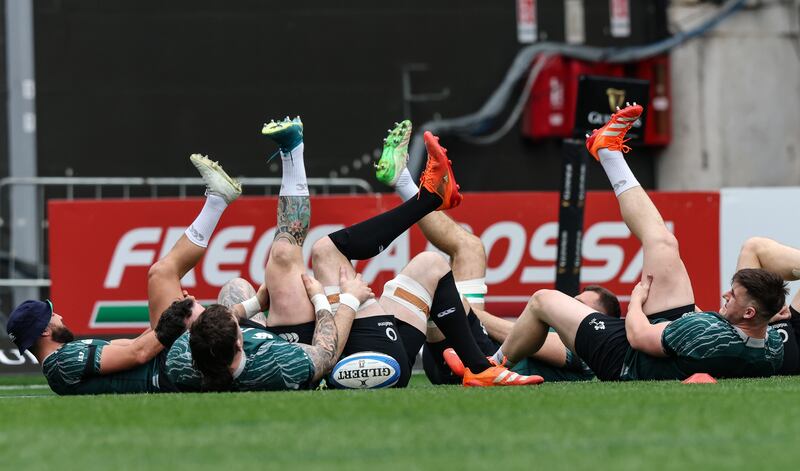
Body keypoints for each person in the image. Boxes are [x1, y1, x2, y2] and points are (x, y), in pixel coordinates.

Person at [492, 103, 785, 381]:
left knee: (543, 300)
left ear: (749, 312)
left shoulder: (707, 333)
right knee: (662, 242)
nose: (724, 295)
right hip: (672, 342)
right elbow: (711, 340)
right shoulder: (771, 348)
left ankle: (492, 365)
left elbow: (637, 336)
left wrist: (636, 299)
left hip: (624, 357)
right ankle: (607, 151)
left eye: (732, 295)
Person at [375, 120, 612, 384]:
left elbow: (524, 339)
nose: (567, 307)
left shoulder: (589, 351)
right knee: (470, 248)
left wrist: (457, 306)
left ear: (600, 324)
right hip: (463, 352)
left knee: (437, 278)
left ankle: (413, 186)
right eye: (573, 301)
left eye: (578, 306)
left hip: (477, 364)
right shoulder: (560, 329)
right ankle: (405, 182)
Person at [309, 123, 542, 387]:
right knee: (441, 261)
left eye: (583, 304)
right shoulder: (569, 329)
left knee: (325, 250)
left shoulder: (570, 346)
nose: (579, 301)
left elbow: (542, 320)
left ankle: (423, 193)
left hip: (386, 357)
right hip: (391, 353)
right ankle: (422, 192)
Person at [5, 154, 242, 394]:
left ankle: (218, 200)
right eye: (51, 315)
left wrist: (175, 314)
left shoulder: (65, 358)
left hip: (167, 366)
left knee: (229, 290)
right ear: (44, 330)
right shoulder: (63, 361)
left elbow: (136, 344)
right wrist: (177, 318)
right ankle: (217, 201)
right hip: (169, 370)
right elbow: (138, 353)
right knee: (162, 273)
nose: (59, 315)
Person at [165, 117, 371, 392]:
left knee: (235, 286)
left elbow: (207, 339)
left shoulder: (180, 361)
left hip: (241, 349)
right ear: (240, 342)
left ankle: (218, 199)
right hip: (293, 344)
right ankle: (293, 151)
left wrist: (252, 305)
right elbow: (326, 355)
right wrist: (336, 299)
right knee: (284, 254)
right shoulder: (279, 363)